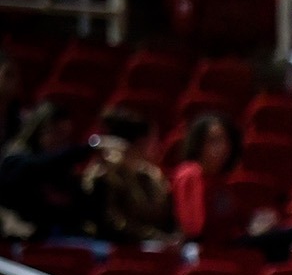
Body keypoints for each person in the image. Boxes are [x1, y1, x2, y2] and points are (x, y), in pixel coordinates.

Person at [170, 112, 292, 261]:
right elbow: (195, 228)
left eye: (225, 141)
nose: (222, 148)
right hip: (206, 249)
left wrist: (257, 223)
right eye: (214, 141)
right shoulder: (190, 174)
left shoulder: (220, 179)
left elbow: (236, 219)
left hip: (229, 242)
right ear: (198, 144)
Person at [81, 107, 174, 244]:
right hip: (110, 246)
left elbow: (162, 216)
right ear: (139, 143)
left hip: (148, 244)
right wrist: (153, 237)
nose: (156, 145)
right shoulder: (103, 175)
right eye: (152, 139)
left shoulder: (149, 175)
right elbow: (111, 222)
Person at [0, 102, 92, 238]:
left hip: (58, 238)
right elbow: (34, 167)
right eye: (57, 133)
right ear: (38, 131)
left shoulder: (61, 168)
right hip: (19, 238)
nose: (62, 141)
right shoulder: (15, 159)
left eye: (66, 136)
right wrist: (88, 148)